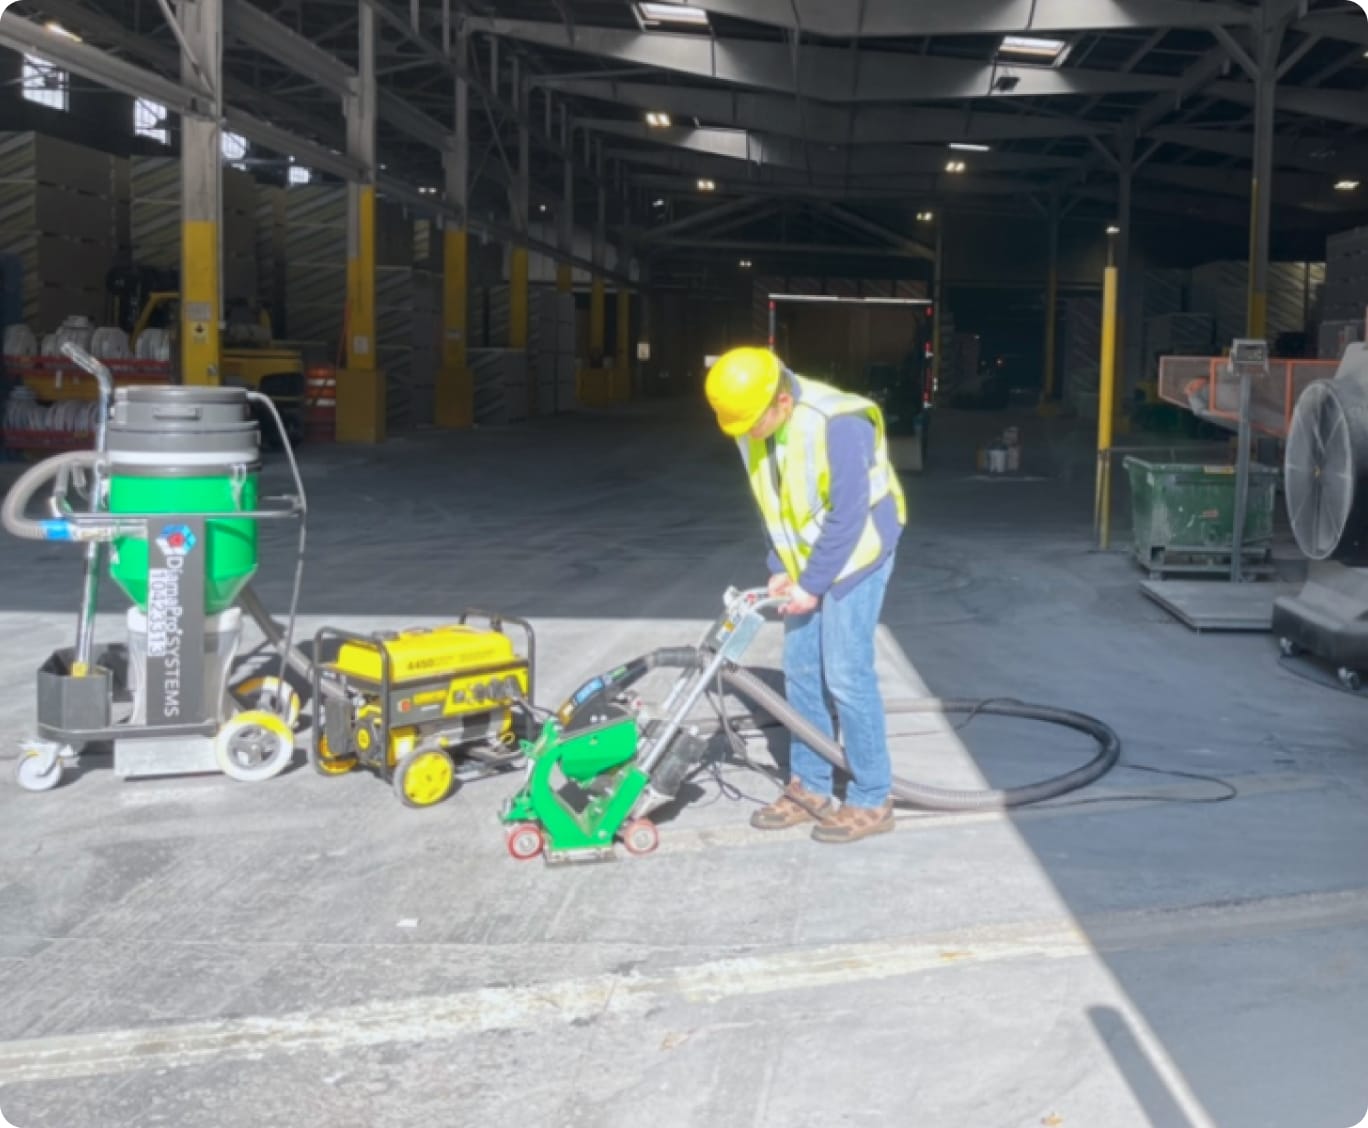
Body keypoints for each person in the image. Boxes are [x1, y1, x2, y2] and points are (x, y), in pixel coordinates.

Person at [704, 347, 906, 844]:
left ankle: (872, 797)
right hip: (807, 561)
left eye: (753, 423)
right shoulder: (754, 425)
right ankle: (812, 786)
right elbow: (772, 502)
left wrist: (812, 586)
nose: (748, 433)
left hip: (858, 553)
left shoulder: (839, 423)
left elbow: (848, 516)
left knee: (846, 673)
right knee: (800, 671)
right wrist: (780, 565)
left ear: (782, 401)